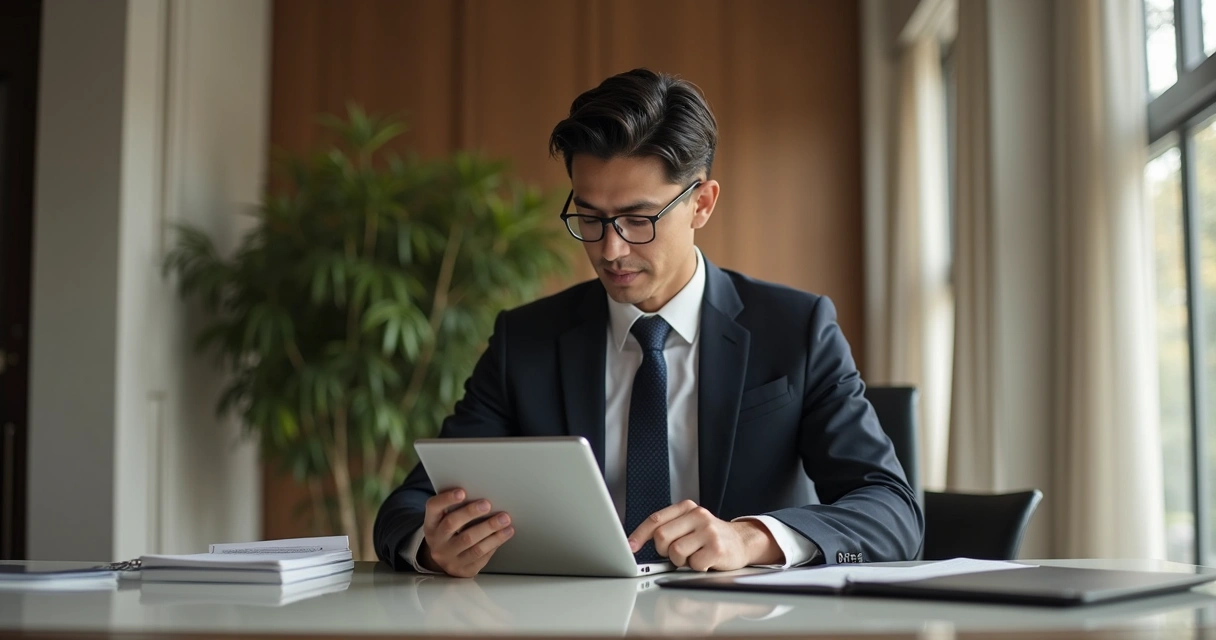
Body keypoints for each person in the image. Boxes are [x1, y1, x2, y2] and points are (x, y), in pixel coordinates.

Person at [373, 68, 922, 578]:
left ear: (702, 203)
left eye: (638, 219)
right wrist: (430, 545)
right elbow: (405, 509)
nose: (611, 249)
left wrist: (751, 540)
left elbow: (894, 513)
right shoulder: (528, 341)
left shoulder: (797, 329)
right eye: (589, 218)